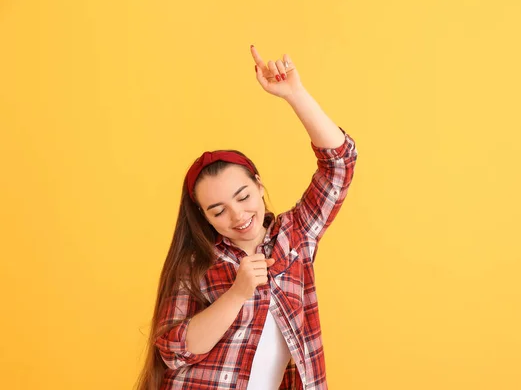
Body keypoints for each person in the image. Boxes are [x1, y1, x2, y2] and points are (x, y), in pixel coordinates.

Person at [136, 45, 358, 390]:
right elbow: (174, 350)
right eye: (218, 210)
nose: (238, 215)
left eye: (243, 196)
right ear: (203, 216)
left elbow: (340, 164)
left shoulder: (295, 237)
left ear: (259, 185)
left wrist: (295, 94)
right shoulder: (196, 262)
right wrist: (237, 292)